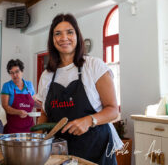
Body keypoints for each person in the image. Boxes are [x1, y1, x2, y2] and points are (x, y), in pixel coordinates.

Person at [36, 14, 123, 164]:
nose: (64, 37)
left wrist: (89, 120)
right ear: (52, 39)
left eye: (69, 32)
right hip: (61, 152)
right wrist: (36, 141)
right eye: (58, 33)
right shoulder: (47, 75)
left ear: (77, 35)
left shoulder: (94, 66)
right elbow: (45, 113)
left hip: (97, 148)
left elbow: (113, 110)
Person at [1, 59, 41, 133]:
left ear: (22, 71)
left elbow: (33, 102)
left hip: (30, 128)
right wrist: (18, 112)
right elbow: (5, 107)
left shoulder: (29, 85)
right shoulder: (7, 86)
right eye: (11, 73)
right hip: (13, 130)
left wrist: (44, 106)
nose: (15, 75)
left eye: (17, 72)